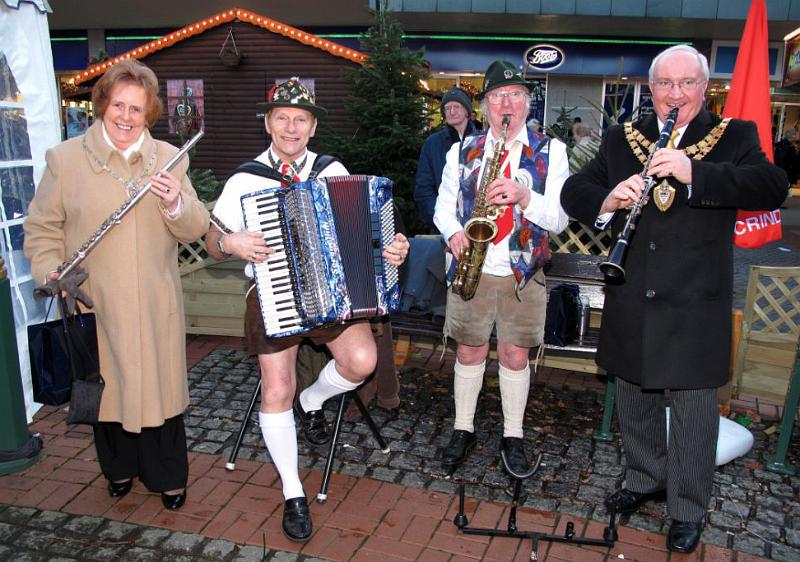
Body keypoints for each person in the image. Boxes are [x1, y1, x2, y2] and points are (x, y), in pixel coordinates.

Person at [561, 45, 788, 554]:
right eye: (665, 84)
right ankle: (644, 479)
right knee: (635, 400)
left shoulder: (734, 136)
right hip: (634, 294)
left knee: (693, 412)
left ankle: (687, 507)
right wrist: (608, 198)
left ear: (704, 88)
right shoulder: (625, 137)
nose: (675, 94)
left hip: (693, 301)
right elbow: (575, 191)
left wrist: (694, 173)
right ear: (652, 88)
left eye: (687, 83)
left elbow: (771, 185)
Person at [205, 78, 409, 543]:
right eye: (282, 118)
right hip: (271, 292)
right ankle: (293, 491)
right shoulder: (245, 178)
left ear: (312, 127)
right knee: (276, 386)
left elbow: (366, 231)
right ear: (268, 123)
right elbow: (210, 242)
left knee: (362, 361)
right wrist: (230, 242)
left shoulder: (331, 170)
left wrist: (391, 248)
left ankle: (312, 400)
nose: (291, 127)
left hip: (332, 293)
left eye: (300, 119)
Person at [24, 60, 210, 511]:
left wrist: (174, 203)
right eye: (119, 106)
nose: (126, 117)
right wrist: (51, 270)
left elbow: (195, 227)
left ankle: (168, 476)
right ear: (102, 104)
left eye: (138, 110)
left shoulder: (169, 157)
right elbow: (43, 229)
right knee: (107, 395)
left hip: (153, 301)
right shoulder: (65, 160)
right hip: (95, 302)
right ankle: (119, 470)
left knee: (160, 396)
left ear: (150, 114)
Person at [433, 60, 569, 475]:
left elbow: (561, 219)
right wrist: (455, 233)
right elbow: (442, 205)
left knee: (514, 354)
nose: (506, 104)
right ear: (485, 106)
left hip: (522, 271)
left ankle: (513, 433)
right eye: (496, 97)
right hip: (472, 263)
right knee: (470, 349)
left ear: (528, 103)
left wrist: (525, 197)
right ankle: (463, 428)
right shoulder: (462, 150)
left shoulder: (552, 151)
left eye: (515, 96)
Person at [414, 87, 477, 230]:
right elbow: (423, 190)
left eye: (456, 107)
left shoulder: (483, 141)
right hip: (443, 229)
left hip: (476, 229)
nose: (452, 111)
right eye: (447, 108)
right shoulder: (432, 144)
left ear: (467, 111)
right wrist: (443, 225)